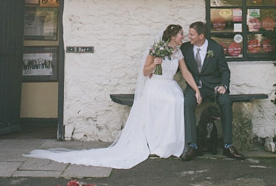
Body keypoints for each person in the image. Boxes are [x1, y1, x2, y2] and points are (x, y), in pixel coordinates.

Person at [25, 24, 201, 169]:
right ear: (171, 36)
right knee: (169, 102)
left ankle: (172, 143)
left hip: (171, 86)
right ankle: (158, 144)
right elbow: (145, 72)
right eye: (180, 34)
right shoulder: (156, 50)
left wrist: (196, 90)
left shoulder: (178, 52)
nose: (183, 36)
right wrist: (155, 64)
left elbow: (185, 73)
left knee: (178, 101)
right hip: (156, 87)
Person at [179, 21, 245, 160]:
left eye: (191, 34)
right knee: (187, 102)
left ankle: (228, 145)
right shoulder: (184, 49)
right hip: (194, 87)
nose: (188, 36)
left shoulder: (216, 48)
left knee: (226, 101)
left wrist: (223, 86)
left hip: (214, 87)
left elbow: (225, 71)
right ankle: (193, 146)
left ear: (201, 36)